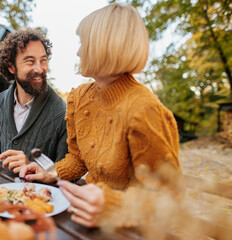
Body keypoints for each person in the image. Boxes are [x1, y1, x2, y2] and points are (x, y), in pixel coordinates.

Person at [20, 3, 184, 228]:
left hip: (131, 229)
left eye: (83, 43)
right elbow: (78, 159)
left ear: (105, 46)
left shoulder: (145, 110)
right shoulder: (79, 97)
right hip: (86, 217)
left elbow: (169, 200)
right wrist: (50, 172)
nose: (78, 51)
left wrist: (114, 206)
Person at [0, 29, 68, 174]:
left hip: (39, 194)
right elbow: (6, 138)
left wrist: (32, 167)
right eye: (30, 61)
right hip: (1, 190)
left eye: (43, 60)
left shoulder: (63, 112)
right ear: (11, 67)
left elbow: (68, 173)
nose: (39, 68)